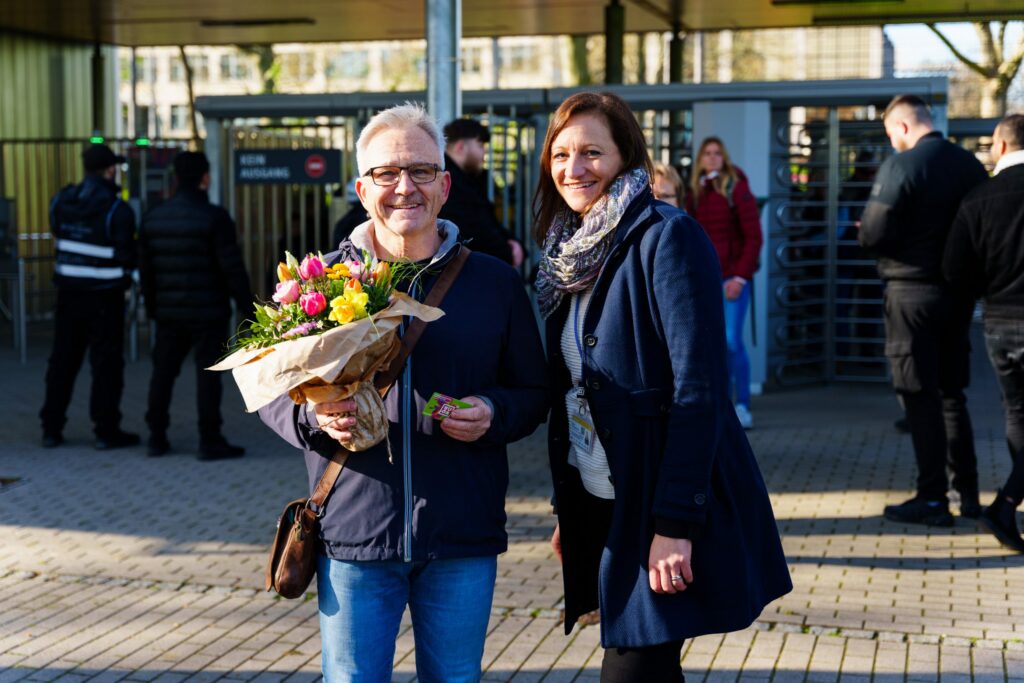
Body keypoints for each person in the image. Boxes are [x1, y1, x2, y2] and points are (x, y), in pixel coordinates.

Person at [258, 104, 548, 682]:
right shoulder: (317, 283)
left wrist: (494, 412)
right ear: (363, 190)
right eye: (387, 173)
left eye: (420, 170)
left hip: (461, 530)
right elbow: (270, 390)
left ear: (445, 185)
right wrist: (314, 417)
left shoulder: (493, 282)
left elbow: (534, 391)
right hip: (354, 532)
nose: (404, 187)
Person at [534, 91, 791, 683]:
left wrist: (676, 522)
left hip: (658, 503)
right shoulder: (567, 254)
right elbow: (579, 390)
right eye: (562, 153)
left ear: (627, 157)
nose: (574, 169)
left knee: (632, 670)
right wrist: (570, 509)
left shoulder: (665, 236)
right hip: (604, 500)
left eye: (592, 153)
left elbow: (698, 391)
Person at [859, 94, 989, 526]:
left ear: (901, 127)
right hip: (958, 295)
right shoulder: (970, 166)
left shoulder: (902, 165)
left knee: (918, 396)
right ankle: (969, 495)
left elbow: (874, 232)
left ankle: (933, 498)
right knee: (952, 394)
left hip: (910, 293)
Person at [943, 113, 1024, 552]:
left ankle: (1009, 506)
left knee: (1017, 413)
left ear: (1001, 145)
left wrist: (987, 291)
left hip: (998, 321)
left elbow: (955, 270)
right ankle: (1006, 503)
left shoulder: (977, 199)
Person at [139, 151, 252, 460]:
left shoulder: (153, 217)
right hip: (208, 313)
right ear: (205, 177)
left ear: (175, 177)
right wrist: (250, 309)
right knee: (208, 376)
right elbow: (232, 269)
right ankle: (209, 440)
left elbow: (146, 271)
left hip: (168, 313)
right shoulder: (214, 217)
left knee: (162, 373)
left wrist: (152, 308)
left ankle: (156, 437)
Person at [40, 144, 139, 450]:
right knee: (106, 366)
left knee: (62, 362)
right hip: (105, 300)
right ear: (109, 169)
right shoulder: (116, 208)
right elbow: (127, 255)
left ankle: (51, 429)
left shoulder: (62, 200)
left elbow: (59, 233)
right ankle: (106, 431)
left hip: (68, 295)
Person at [684, 136, 763, 429]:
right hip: (703, 281)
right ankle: (718, 405)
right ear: (701, 159)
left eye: (718, 153)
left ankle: (742, 405)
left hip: (732, 281)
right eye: (708, 153)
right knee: (706, 345)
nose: (713, 158)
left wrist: (740, 278)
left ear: (724, 157)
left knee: (731, 341)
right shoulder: (693, 192)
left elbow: (754, 237)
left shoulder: (736, 188)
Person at [439, 117, 525, 267]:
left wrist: (511, 242)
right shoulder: (450, 183)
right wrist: (508, 251)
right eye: (480, 145)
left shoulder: (470, 178)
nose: (484, 152)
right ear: (460, 147)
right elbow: (476, 232)